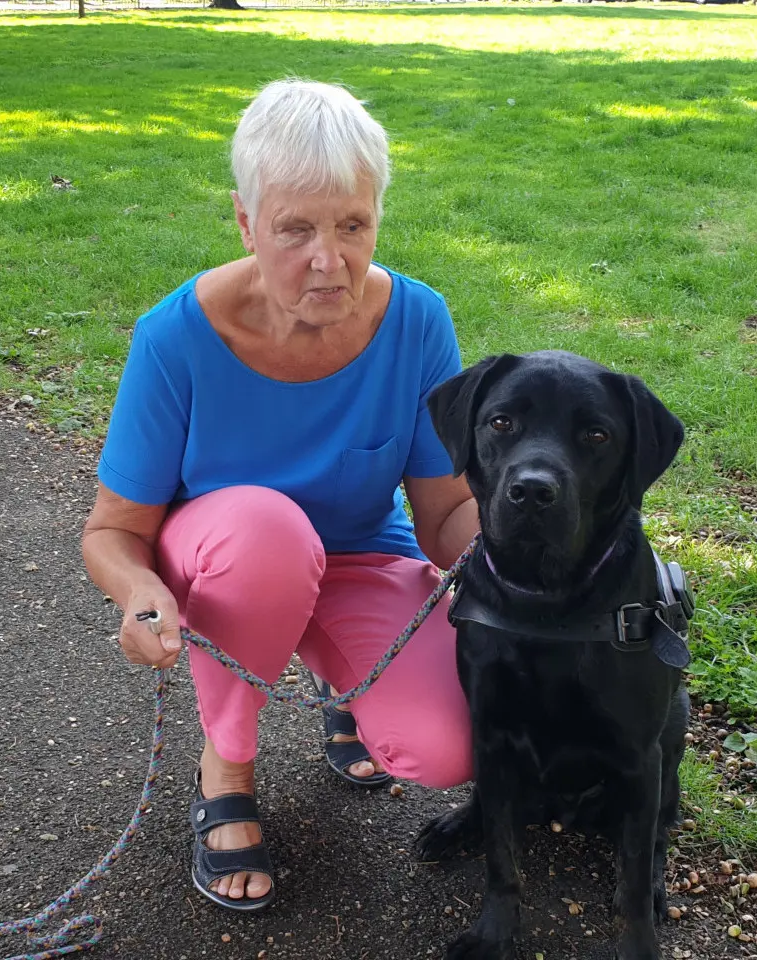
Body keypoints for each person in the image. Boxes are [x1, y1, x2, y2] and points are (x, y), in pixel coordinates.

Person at [80, 79, 479, 912]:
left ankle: (349, 689)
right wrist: (141, 589)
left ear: (377, 217)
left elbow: (442, 514)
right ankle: (225, 764)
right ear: (245, 222)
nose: (328, 260)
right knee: (269, 530)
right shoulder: (175, 338)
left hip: (359, 558)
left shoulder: (418, 322)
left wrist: (508, 550)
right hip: (233, 562)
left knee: (451, 747)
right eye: (295, 229)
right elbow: (113, 531)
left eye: (353, 226)